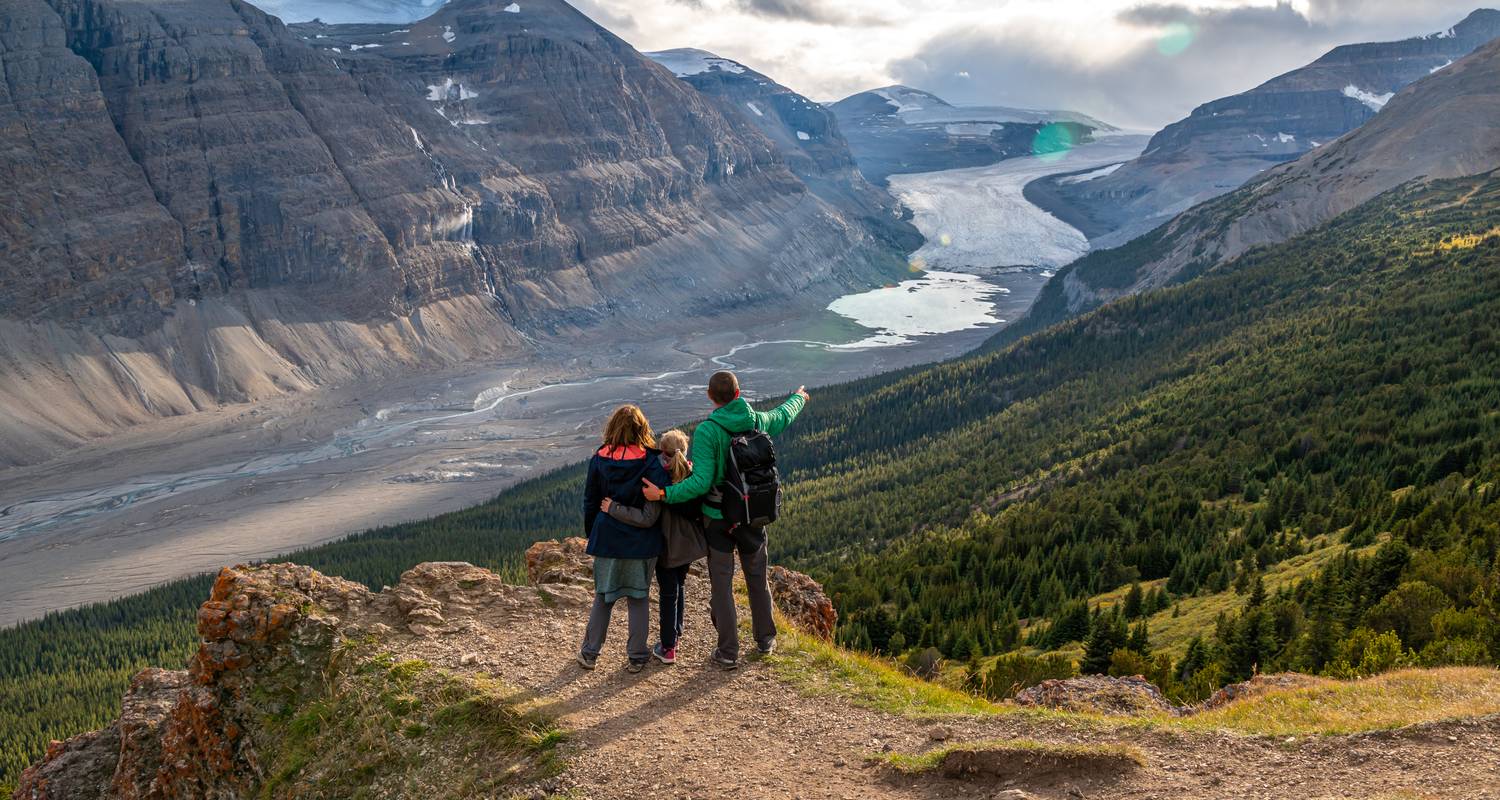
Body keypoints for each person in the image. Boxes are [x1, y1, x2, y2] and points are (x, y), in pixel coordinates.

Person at [643, 370, 808, 669]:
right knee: (757, 578)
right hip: (753, 515)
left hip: (718, 519)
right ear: (738, 392)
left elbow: (701, 482)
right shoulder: (755, 419)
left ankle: (728, 651)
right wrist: (799, 397)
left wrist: (664, 494)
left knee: (722, 585)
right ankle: (765, 639)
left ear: (710, 396)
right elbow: (782, 415)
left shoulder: (708, 431)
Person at [603, 429, 707, 666]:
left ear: (663, 452)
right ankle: (676, 634)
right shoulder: (692, 475)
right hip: (689, 545)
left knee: (668, 593)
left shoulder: (659, 480)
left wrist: (615, 509)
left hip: (668, 546)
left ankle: (668, 647)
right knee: (679, 587)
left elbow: (647, 518)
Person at [580, 405, 669, 673]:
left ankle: (590, 653)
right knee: (638, 598)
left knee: (604, 597)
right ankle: (637, 656)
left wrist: (594, 533)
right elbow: (653, 512)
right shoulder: (651, 462)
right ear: (642, 429)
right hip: (641, 542)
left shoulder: (599, 459)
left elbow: (590, 502)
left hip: (607, 538)